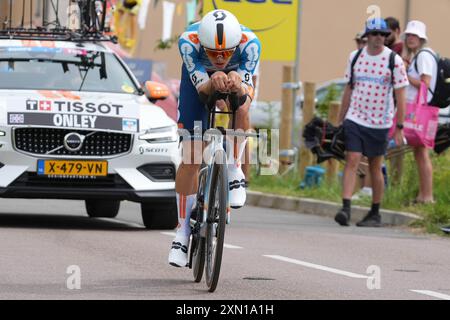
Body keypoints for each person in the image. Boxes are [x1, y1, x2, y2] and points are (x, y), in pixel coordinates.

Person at [168, 9, 261, 267]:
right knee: (192, 156)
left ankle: (234, 170)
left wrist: (236, 82)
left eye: (225, 53)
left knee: (241, 108)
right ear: (202, 43)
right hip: (198, 81)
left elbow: (244, 90)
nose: (219, 59)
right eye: (213, 53)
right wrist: (212, 81)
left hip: (238, 74)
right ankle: (182, 232)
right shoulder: (189, 42)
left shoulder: (250, 44)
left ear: (235, 44)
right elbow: (202, 90)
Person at [335, 18, 408, 227]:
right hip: (356, 117)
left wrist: (399, 126)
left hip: (380, 122)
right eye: (374, 34)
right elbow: (349, 88)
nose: (378, 38)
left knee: (375, 166)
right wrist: (341, 118)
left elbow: (400, 94)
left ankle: (375, 212)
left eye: (382, 34)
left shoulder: (393, 60)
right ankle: (345, 208)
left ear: (386, 37)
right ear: (367, 36)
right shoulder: (355, 57)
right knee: (353, 158)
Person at [402, 20, 437, 204]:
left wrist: (405, 75)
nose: (410, 38)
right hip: (422, 111)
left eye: (414, 35)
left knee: (422, 153)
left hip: (421, 111)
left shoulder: (423, 56)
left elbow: (425, 83)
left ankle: (427, 196)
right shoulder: (420, 55)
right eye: (408, 35)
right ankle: (422, 196)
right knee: (418, 152)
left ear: (421, 38)